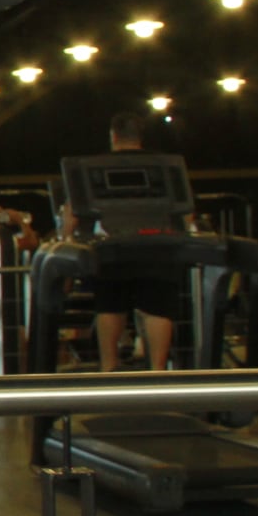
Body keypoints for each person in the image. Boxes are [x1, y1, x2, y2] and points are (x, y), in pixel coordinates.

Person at [92, 110, 176, 371]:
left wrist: (69, 237)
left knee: (109, 306)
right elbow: (184, 207)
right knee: (157, 309)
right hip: (156, 246)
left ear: (113, 136)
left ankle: (108, 369)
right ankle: (159, 373)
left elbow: (77, 208)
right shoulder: (165, 164)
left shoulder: (96, 165)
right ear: (140, 136)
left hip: (112, 246)